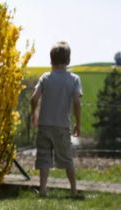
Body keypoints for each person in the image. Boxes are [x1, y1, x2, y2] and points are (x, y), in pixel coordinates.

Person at [30, 41, 83, 198]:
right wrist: (78, 123)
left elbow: (34, 99)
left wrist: (35, 115)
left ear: (51, 60)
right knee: (67, 159)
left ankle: (43, 190)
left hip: (44, 125)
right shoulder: (74, 79)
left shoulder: (45, 78)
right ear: (68, 61)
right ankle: (73, 190)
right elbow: (77, 102)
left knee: (44, 158)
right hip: (62, 126)